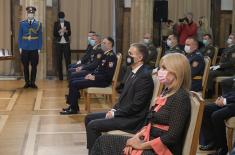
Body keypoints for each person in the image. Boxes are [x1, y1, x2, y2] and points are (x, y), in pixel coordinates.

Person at [90, 53, 191, 155]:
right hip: (149, 140)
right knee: (103, 141)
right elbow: (151, 122)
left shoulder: (180, 97)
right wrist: (135, 139)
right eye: (160, 68)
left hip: (162, 149)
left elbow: (172, 136)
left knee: (104, 143)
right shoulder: (167, 92)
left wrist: (140, 145)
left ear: (177, 72)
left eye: (164, 68)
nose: (160, 71)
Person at [84, 43, 154, 152]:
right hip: (124, 114)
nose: (128, 56)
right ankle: (97, 151)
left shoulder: (144, 77)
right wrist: (113, 109)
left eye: (131, 54)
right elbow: (122, 97)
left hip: (132, 120)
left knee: (93, 125)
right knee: (88, 118)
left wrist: (115, 114)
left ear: (140, 58)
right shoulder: (132, 71)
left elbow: (136, 106)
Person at [60, 37, 117, 115]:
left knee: (74, 83)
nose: (102, 45)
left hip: (102, 81)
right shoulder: (105, 54)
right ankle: (72, 106)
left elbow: (108, 75)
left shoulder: (111, 56)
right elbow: (98, 69)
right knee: (73, 80)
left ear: (110, 44)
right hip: (97, 78)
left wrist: (94, 77)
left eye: (104, 43)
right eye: (103, 43)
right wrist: (91, 74)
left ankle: (73, 108)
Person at [199, 90, 235, 155]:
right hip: (232, 101)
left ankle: (222, 149)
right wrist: (222, 98)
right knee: (205, 109)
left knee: (216, 116)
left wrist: (225, 101)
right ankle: (213, 142)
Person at [18, 6, 42, 89]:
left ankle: (33, 82)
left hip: (34, 48)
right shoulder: (22, 23)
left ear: (34, 14)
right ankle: (27, 82)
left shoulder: (38, 23)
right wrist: (20, 47)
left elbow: (40, 36)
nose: (30, 15)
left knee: (34, 66)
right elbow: (20, 35)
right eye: (29, 13)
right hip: (24, 47)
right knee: (25, 66)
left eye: (32, 13)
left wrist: (39, 48)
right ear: (27, 14)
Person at [207, 33, 235, 98]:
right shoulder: (227, 48)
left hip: (229, 70)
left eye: (231, 38)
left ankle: (209, 92)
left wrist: (220, 66)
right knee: (209, 70)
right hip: (223, 68)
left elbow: (231, 62)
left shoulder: (233, 49)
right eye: (229, 37)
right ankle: (208, 89)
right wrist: (215, 66)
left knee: (210, 73)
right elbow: (221, 61)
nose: (229, 39)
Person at [53, 11, 71, 80]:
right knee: (59, 60)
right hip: (58, 44)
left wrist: (66, 31)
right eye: (60, 18)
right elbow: (54, 34)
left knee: (68, 60)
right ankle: (60, 77)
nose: (61, 19)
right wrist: (60, 31)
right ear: (58, 18)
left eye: (62, 17)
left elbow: (69, 33)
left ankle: (69, 77)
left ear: (64, 17)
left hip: (66, 43)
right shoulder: (56, 23)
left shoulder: (67, 23)